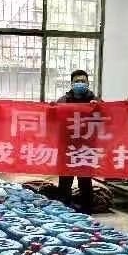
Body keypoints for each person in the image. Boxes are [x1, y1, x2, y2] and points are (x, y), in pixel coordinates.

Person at [56, 69, 98, 213]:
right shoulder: (63, 101)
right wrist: (52, 109)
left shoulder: (95, 100)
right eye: (77, 81)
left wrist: (98, 108)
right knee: (65, 181)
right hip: (67, 147)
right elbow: (52, 118)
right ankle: (63, 212)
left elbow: (110, 116)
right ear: (72, 84)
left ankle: (86, 212)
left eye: (83, 81)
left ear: (88, 83)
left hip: (86, 147)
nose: (80, 83)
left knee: (85, 181)